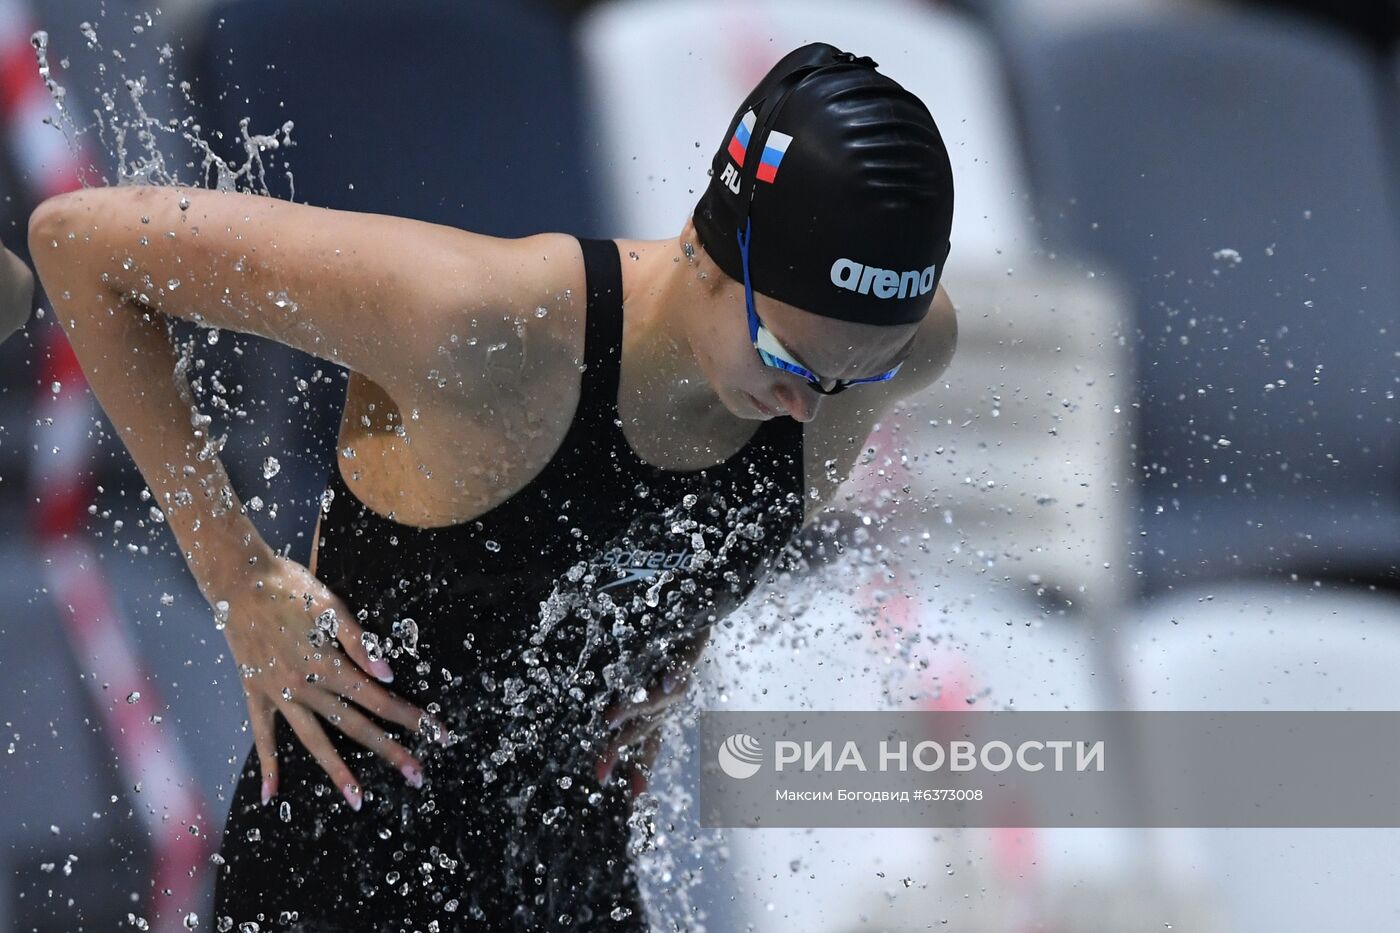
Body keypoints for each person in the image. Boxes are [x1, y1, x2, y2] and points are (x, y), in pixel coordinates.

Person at [27, 41, 956, 932]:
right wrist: (235, 576)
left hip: (572, 878)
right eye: (787, 356)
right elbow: (79, 245)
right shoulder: (481, 326)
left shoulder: (880, 351)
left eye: (857, 373)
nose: (807, 404)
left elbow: (661, 537)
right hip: (345, 877)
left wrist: (670, 638)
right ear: (716, 250)